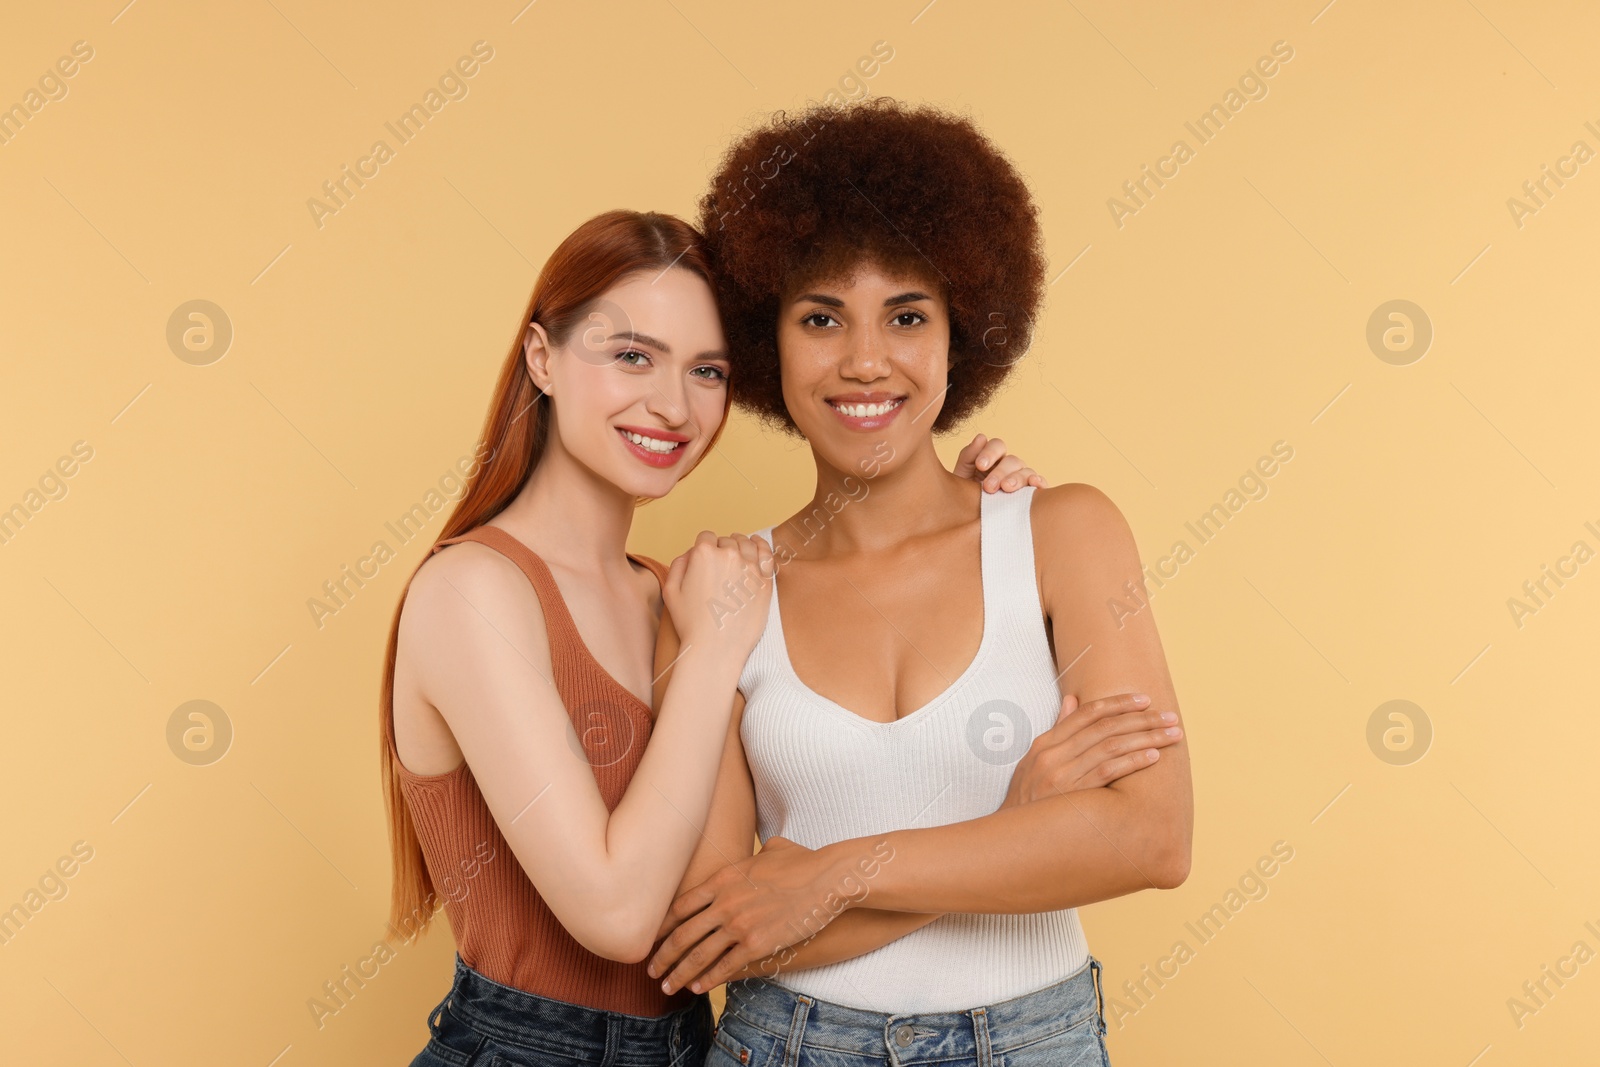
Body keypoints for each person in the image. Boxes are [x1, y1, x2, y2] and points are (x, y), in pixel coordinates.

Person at [379, 208, 1048, 1066]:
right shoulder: (471, 592)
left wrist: (960, 522)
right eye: (631, 355)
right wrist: (713, 651)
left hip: (697, 1046)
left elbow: (729, 908)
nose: (672, 404)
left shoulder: (674, 593)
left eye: (707, 370)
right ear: (542, 358)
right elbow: (621, 915)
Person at [645, 100, 1194, 1066]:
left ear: (961, 334)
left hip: (1034, 1040)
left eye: (906, 314)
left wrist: (840, 871)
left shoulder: (1064, 534)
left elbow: (1153, 839)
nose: (865, 360)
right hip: (787, 1044)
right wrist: (1018, 830)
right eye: (822, 317)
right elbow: (715, 930)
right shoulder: (722, 595)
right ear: (769, 341)